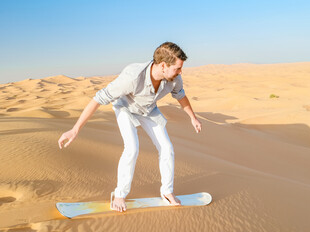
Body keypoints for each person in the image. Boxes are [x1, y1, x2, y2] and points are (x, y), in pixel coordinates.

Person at [58, 42, 202, 212]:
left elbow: (181, 96)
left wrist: (193, 117)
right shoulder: (133, 76)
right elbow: (98, 98)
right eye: (177, 68)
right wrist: (75, 129)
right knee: (132, 148)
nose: (180, 72)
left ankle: (167, 192)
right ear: (163, 65)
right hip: (126, 108)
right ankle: (119, 194)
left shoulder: (174, 78)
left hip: (149, 110)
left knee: (167, 148)